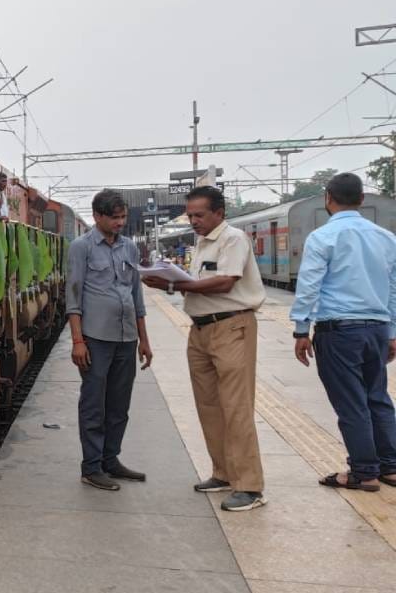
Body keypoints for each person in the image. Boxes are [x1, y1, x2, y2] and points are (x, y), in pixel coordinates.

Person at [143, 186, 267, 511]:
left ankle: (250, 486)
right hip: (200, 330)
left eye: (199, 215)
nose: (194, 221)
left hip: (231, 327)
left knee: (236, 406)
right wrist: (176, 281)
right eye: (191, 215)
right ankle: (223, 472)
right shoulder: (200, 243)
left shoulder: (233, 239)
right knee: (208, 405)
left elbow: (226, 281)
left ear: (219, 214)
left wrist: (172, 284)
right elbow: (199, 284)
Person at [289, 173, 396, 491]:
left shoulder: (323, 237)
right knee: (377, 397)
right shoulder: (386, 238)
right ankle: (390, 466)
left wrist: (300, 330)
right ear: (362, 199)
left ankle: (364, 472)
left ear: (328, 198)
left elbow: (309, 286)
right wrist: (392, 332)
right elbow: (393, 289)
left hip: (339, 332)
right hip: (377, 330)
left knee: (351, 403)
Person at [66, 189, 153, 490]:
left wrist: (144, 339)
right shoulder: (82, 247)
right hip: (95, 338)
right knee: (93, 404)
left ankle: (110, 460)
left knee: (119, 404)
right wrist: (78, 341)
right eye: (114, 218)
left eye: (123, 217)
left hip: (126, 338)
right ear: (97, 216)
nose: (120, 223)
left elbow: (136, 296)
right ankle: (91, 467)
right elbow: (73, 296)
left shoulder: (129, 248)